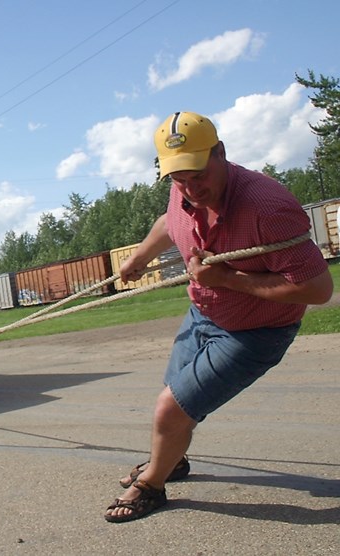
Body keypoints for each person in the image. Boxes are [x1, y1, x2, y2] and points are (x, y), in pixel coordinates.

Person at [104, 111, 334, 523]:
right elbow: (170, 222)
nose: (191, 188)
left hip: (256, 331)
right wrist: (140, 256)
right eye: (179, 179)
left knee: (169, 411)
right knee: (178, 394)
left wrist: (229, 279)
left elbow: (318, 290)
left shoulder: (269, 208)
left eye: (197, 173)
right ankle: (173, 460)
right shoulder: (183, 190)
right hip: (203, 313)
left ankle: (153, 485)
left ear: (220, 153)